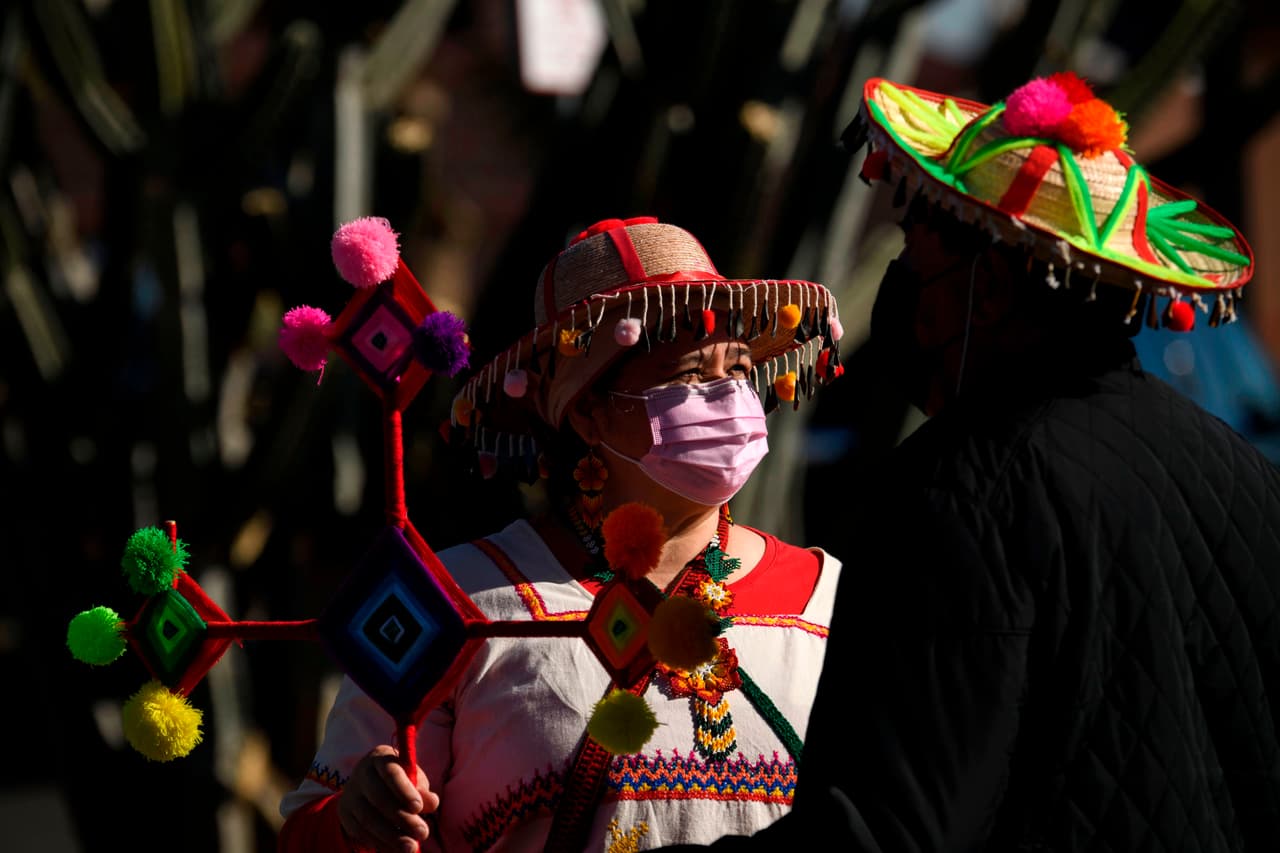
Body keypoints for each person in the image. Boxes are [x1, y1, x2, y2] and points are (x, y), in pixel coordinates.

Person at [660, 73, 1280, 850]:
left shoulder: (963, 486)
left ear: (989, 288)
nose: (904, 278)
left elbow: (886, 831)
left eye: (918, 248)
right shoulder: (1248, 477)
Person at [276, 215, 848, 852]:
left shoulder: (832, 599)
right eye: (690, 373)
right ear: (587, 408)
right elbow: (307, 831)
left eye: (738, 369)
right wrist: (358, 815)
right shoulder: (448, 599)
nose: (728, 397)